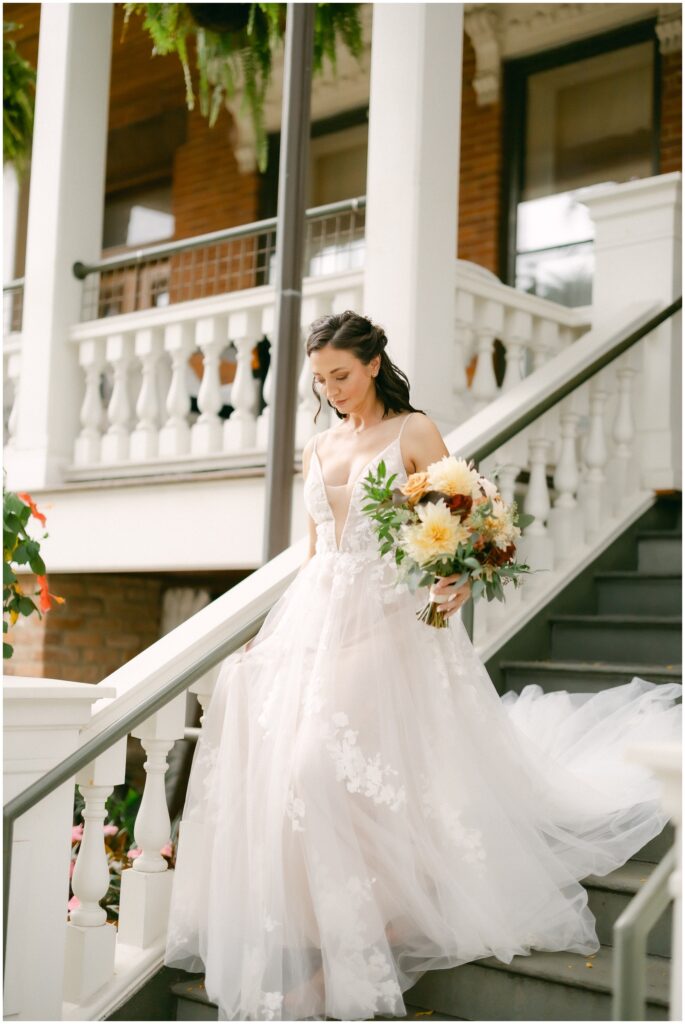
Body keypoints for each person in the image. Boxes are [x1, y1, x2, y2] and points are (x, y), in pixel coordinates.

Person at [164, 310, 681, 1022]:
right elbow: (316, 554)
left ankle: (368, 942)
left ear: (373, 364)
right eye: (320, 381)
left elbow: (455, 536)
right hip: (319, 618)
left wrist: (455, 584)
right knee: (296, 781)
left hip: (391, 624)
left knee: (319, 766)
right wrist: (272, 639)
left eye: (341, 375)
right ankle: (355, 930)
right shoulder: (316, 445)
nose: (332, 390)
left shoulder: (414, 432)